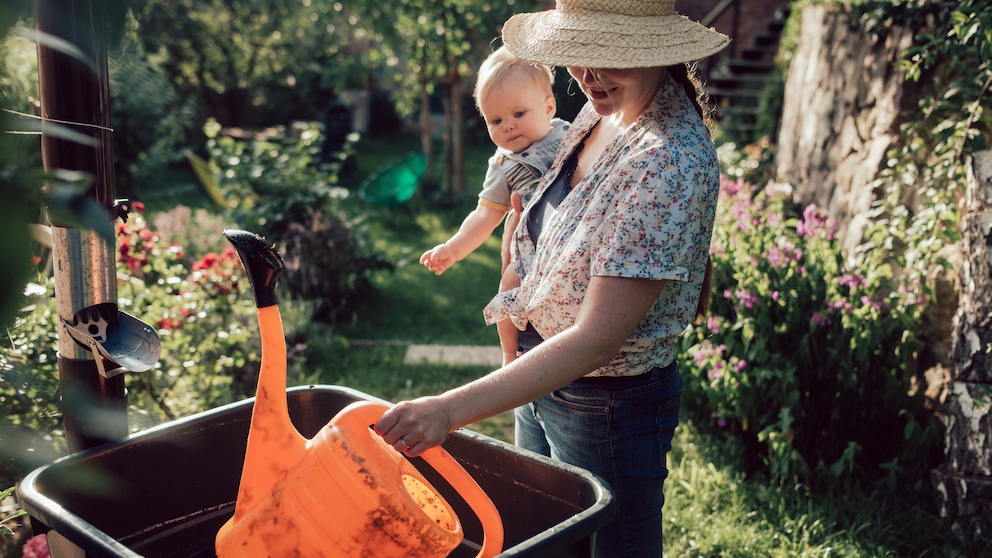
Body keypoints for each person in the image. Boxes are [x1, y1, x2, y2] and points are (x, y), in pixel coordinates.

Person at [377, 1, 729, 556]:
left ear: (656, 53)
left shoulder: (667, 160)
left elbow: (596, 339)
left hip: (605, 406)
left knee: (614, 548)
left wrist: (447, 410)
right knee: (548, 540)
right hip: (539, 376)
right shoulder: (601, 112)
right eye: (577, 55)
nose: (586, 75)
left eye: (606, 56)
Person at [420, 45, 569, 365]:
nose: (508, 126)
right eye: (496, 119)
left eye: (518, 114)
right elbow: (485, 216)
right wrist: (453, 248)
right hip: (531, 250)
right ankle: (509, 357)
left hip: (571, 243)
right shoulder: (505, 166)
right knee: (508, 286)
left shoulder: (571, 137)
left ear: (548, 107)